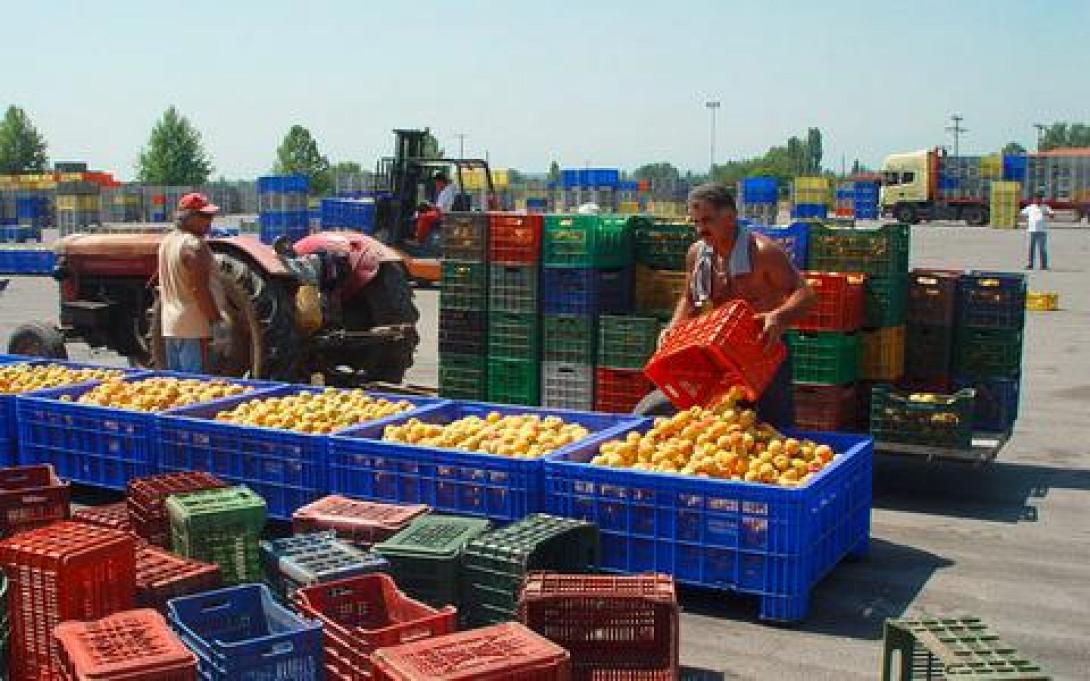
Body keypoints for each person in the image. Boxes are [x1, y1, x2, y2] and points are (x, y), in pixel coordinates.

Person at [634, 183, 816, 428]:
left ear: (729, 217)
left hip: (764, 355)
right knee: (726, 429)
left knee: (771, 431)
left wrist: (778, 317)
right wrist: (672, 328)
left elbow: (805, 293)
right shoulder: (697, 254)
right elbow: (689, 299)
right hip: (721, 356)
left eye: (706, 221)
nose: (700, 229)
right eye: (695, 222)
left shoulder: (763, 253)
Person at [158, 192, 223, 373]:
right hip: (194, 328)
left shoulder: (167, 242)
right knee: (195, 384)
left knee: (178, 384)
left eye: (211, 216)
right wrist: (217, 322)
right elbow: (199, 289)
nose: (210, 221)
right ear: (189, 217)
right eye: (205, 216)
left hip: (171, 326)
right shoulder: (194, 246)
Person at [414, 171, 457, 243]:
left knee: (423, 217)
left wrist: (428, 204)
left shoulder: (446, 192)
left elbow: (439, 208)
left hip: (442, 214)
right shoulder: (447, 190)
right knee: (423, 214)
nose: (436, 184)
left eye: (437, 182)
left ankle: (419, 240)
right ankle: (423, 237)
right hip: (442, 212)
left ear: (441, 182)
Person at [1021, 195, 1053, 270]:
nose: (1038, 201)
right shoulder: (1030, 207)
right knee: (1031, 248)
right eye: (1036, 199)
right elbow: (1022, 214)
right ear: (1034, 200)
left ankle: (1044, 265)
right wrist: (1028, 220)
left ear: (1042, 200)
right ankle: (1030, 264)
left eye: (1039, 199)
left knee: (1042, 248)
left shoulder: (1045, 207)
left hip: (1042, 231)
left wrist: (1049, 214)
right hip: (1032, 230)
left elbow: (1052, 214)